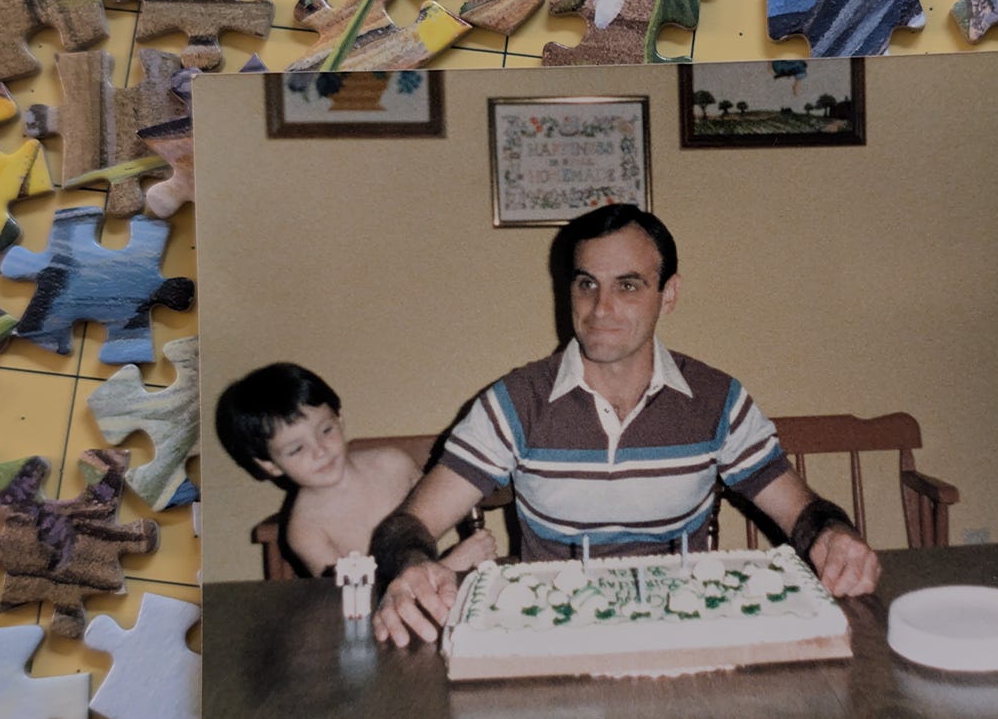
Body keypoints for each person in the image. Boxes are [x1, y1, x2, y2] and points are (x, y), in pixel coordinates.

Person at [370, 204, 880, 647]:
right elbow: (406, 526)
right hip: (554, 639)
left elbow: (803, 512)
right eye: (586, 284)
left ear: (668, 294)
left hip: (686, 636)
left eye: (628, 285)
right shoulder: (515, 403)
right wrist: (411, 566)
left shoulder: (717, 401)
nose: (601, 308)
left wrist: (834, 534)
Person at [214, 362, 495, 578]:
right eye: (297, 449)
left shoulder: (393, 464)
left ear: (340, 418)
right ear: (270, 465)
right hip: (386, 619)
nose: (320, 450)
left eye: (326, 430)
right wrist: (450, 565)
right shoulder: (306, 530)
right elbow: (354, 601)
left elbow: (448, 503)